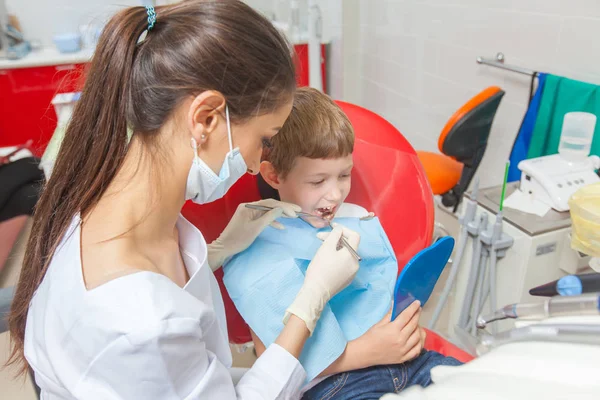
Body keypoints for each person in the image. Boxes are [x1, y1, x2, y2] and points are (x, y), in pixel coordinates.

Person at [6, 2, 363, 399]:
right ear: (206, 118)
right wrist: (309, 303)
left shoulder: (107, 201)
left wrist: (213, 253)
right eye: (265, 139)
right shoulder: (142, 321)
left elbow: (191, 374)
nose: (253, 165)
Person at [223, 88, 462, 399]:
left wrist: (403, 331)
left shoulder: (354, 219)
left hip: (411, 363)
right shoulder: (256, 252)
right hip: (337, 386)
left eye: (344, 175)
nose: (335, 194)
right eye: (318, 181)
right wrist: (370, 351)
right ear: (274, 175)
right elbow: (275, 364)